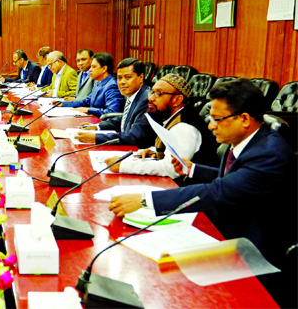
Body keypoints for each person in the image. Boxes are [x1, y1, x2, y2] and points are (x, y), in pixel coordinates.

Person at [109, 78, 296, 308]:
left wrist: (144, 200)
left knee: (167, 277)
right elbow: (232, 179)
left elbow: (219, 191)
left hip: (255, 248)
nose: (210, 125)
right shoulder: (246, 138)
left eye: (217, 119)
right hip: (227, 226)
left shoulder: (269, 155)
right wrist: (193, 168)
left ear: (244, 119)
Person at [102, 73, 218, 185]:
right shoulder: (173, 118)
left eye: (159, 93)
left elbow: (171, 169)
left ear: (177, 100)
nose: (151, 98)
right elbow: (173, 148)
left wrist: (123, 166)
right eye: (152, 92)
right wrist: (155, 150)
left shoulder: (185, 128)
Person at [74, 58, 155, 148]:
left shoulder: (147, 100)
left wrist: (96, 138)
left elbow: (135, 136)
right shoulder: (134, 95)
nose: (122, 82)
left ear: (140, 78)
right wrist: (97, 126)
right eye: (119, 78)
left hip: (139, 151)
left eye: (128, 77)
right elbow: (125, 119)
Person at [61, 52, 124, 118]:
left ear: (103, 69)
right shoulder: (99, 83)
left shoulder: (112, 86)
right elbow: (85, 102)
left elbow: (111, 112)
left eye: (94, 67)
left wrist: (88, 110)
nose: (90, 70)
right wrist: (62, 104)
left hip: (103, 124)